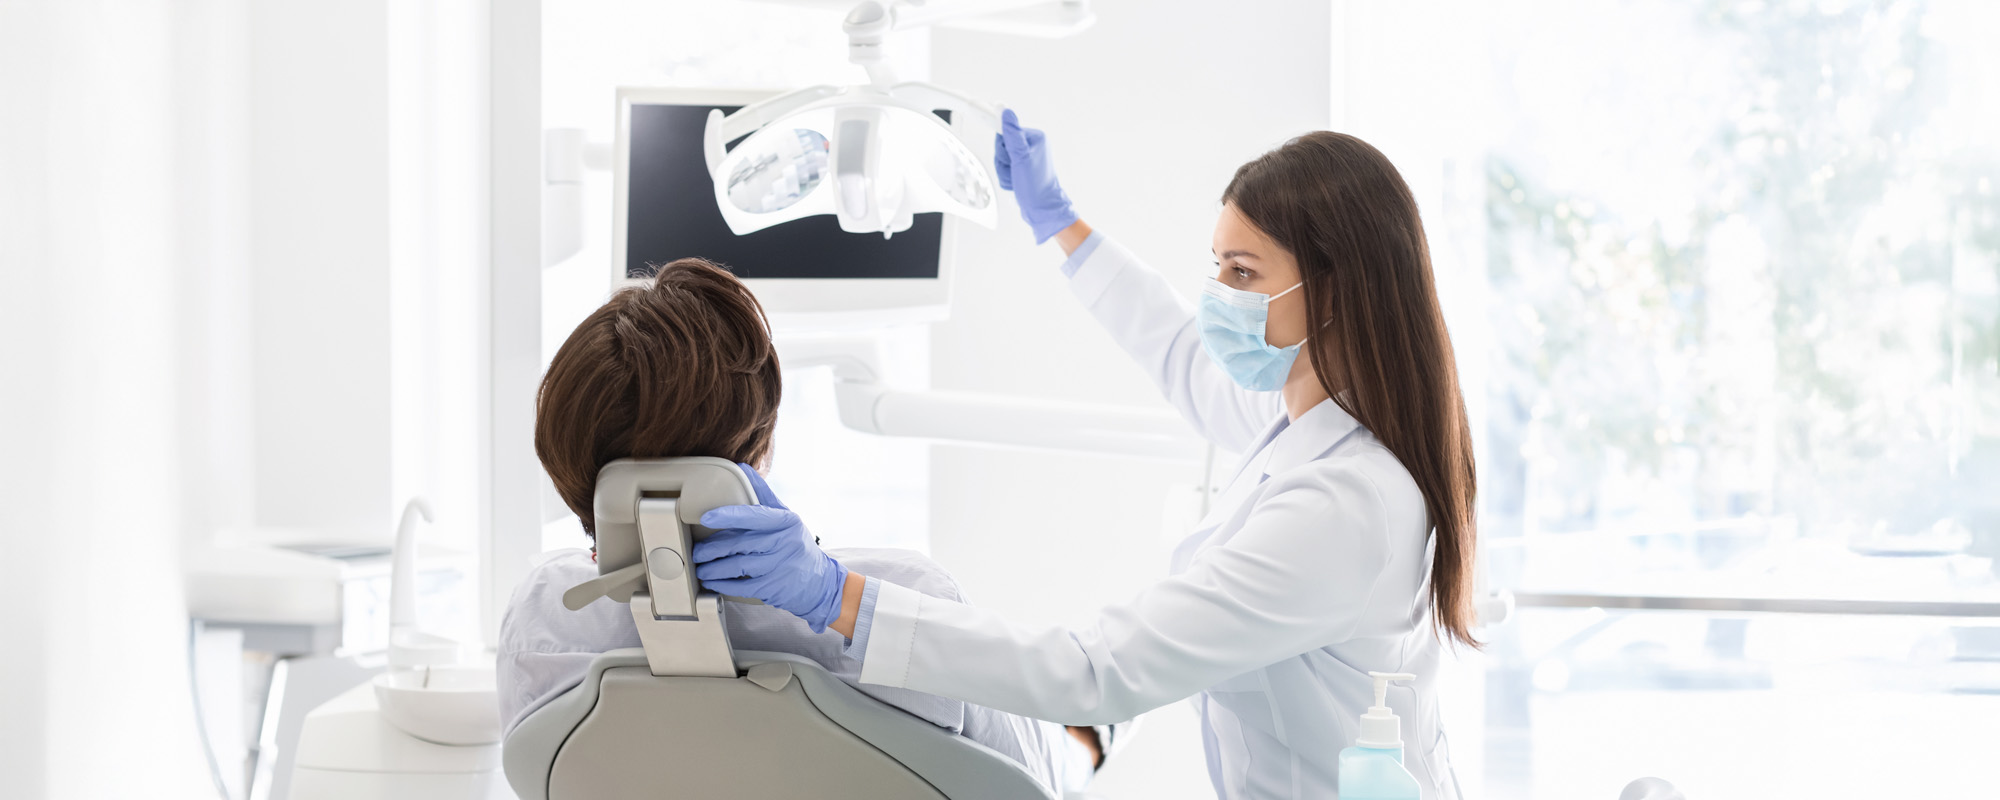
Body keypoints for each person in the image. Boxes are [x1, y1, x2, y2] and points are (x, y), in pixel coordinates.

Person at [689, 113, 1479, 799]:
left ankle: (1084, 746)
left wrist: (835, 596)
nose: (1217, 294)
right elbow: (1180, 350)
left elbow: (1093, 673)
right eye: (1215, 265)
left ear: (1333, 292)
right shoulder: (1310, 418)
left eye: (1242, 272)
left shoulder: (1343, 504)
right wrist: (1058, 223)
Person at [496, 257, 1111, 796]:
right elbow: (1033, 782)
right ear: (757, 444)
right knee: (1080, 738)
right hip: (1045, 736)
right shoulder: (907, 598)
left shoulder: (542, 616)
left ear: (565, 455)